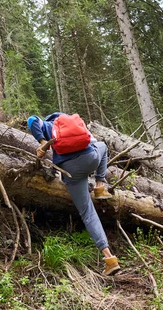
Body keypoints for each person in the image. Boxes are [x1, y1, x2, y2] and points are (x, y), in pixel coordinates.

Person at [27, 112, 121, 276]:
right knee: (103, 146)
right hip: (91, 158)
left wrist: (43, 143)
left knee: (87, 212)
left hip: (71, 169)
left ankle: (110, 258)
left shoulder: (49, 126)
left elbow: (31, 120)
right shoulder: (77, 124)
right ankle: (99, 186)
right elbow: (92, 143)